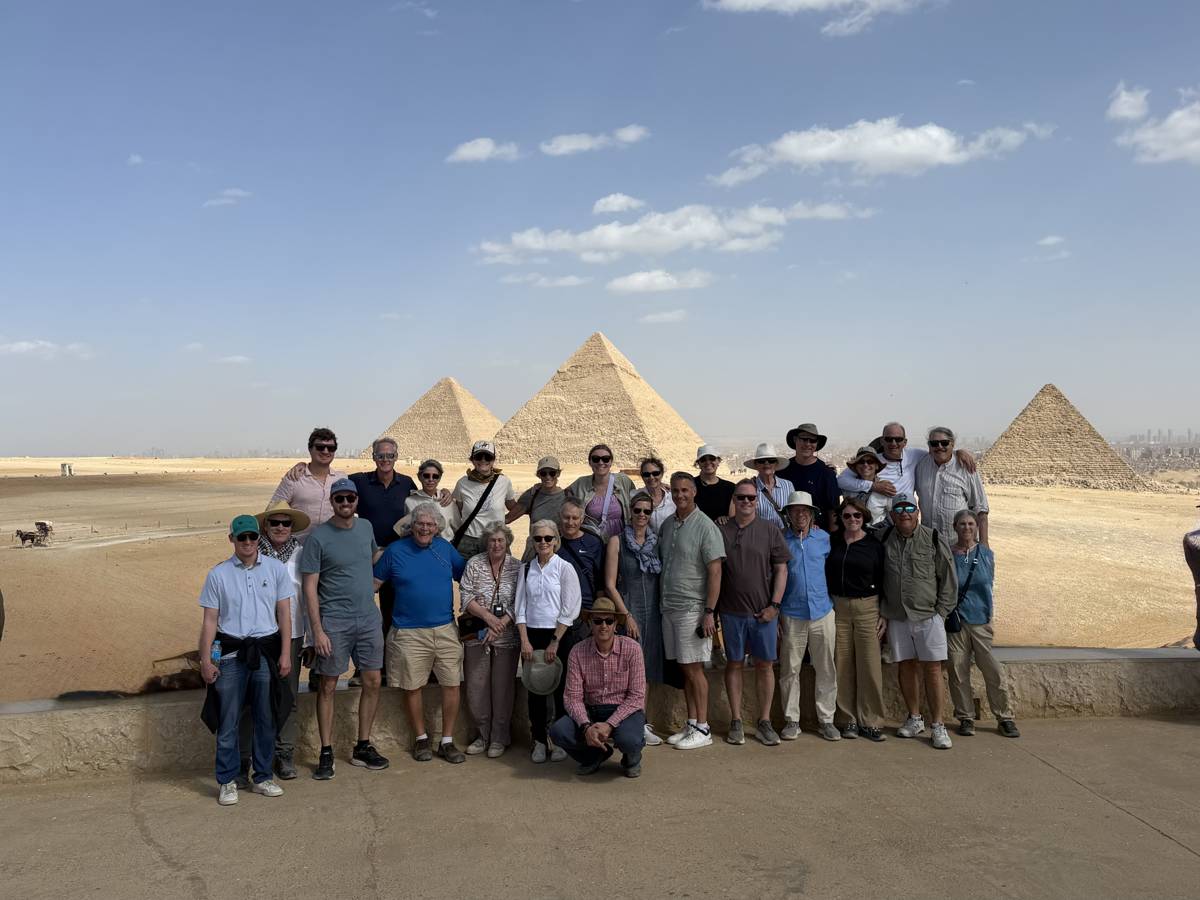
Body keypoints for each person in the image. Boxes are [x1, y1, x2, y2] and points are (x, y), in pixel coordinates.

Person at [198, 515, 293, 806]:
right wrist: (206, 660)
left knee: (265, 717)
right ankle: (227, 780)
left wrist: (285, 654)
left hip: (264, 652)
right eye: (242, 538)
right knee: (228, 719)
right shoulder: (218, 574)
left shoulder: (275, 569)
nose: (248, 542)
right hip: (230, 654)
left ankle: (262, 777)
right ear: (232, 540)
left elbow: (284, 614)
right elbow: (210, 621)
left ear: (258, 538)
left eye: (252, 537)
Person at [300, 478, 388, 780]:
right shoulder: (318, 538)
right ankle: (326, 751)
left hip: (368, 618)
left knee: (373, 680)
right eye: (340, 499)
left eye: (350, 498)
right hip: (334, 621)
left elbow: (373, 557)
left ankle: (363, 745)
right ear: (332, 502)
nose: (346, 503)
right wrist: (317, 631)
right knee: (327, 685)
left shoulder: (365, 528)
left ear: (356, 500)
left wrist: (405, 548)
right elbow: (309, 588)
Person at [373, 502, 467, 764]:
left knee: (452, 684)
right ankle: (421, 738)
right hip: (408, 632)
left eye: (430, 524)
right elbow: (374, 584)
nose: (424, 528)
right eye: (420, 524)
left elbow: (467, 577)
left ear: (437, 528)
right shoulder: (395, 551)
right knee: (412, 686)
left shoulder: (445, 549)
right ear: (411, 526)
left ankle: (447, 741)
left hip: (445, 629)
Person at [879, 493, 958, 750]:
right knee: (906, 666)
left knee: (933, 669)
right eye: (899, 509)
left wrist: (941, 613)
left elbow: (948, 578)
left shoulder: (933, 538)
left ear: (917, 512)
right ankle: (914, 718)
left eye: (909, 508)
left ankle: (938, 725)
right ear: (892, 515)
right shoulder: (883, 538)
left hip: (928, 616)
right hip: (897, 615)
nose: (904, 513)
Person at [715, 479, 789, 746]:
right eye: (741, 497)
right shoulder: (721, 530)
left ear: (757, 501)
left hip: (763, 612)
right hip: (731, 611)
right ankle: (736, 720)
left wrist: (774, 606)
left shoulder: (770, 530)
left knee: (764, 665)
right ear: (734, 500)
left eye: (750, 498)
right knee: (734, 663)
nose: (746, 502)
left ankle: (764, 721)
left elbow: (781, 569)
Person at [243, 500, 310, 781]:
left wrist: (309, 637)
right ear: (265, 526)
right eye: (275, 523)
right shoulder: (252, 554)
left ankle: (284, 753)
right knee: (253, 697)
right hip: (258, 635)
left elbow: (309, 597)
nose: (281, 528)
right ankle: (252, 755)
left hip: (292, 635)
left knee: (287, 697)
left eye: (286, 523)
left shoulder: (303, 555)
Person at [659, 472, 725, 751]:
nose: (680, 495)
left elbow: (715, 572)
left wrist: (709, 611)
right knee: (685, 668)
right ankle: (692, 722)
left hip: (692, 608)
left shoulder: (705, 526)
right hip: (669, 607)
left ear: (694, 492)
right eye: (675, 490)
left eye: (685, 490)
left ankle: (703, 727)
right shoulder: (668, 525)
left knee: (695, 668)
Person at [549, 597, 647, 778]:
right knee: (558, 732)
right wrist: (586, 726)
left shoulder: (632, 649)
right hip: (591, 711)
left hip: (624, 711)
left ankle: (632, 758)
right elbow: (572, 697)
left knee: (629, 740)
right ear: (590, 624)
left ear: (615, 624)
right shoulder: (577, 652)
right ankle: (595, 755)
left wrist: (609, 724)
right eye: (597, 621)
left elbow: (637, 696)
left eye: (609, 621)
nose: (603, 626)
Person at [947, 510, 1019, 738]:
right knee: (958, 671)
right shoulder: (948, 554)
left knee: (993, 671)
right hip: (957, 622)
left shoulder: (985, 553)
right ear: (954, 527)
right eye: (962, 524)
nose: (967, 528)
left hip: (981, 621)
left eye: (971, 524)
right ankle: (965, 717)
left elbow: (988, 582)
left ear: (977, 527)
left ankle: (1005, 717)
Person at [515, 520, 582, 763]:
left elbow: (570, 608)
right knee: (535, 690)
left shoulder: (565, 568)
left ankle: (562, 741)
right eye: (538, 538)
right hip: (533, 636)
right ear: (532, 542)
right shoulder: (526, 569)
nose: (543, 542)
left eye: (547, 538)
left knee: (562, 690)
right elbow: (520, 606)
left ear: (555, 540)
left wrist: (554, 641)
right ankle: (539, 741)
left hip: (559, 636)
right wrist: (524, 640)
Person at [604, 489, 664, 746]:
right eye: (637, 510)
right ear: (630, 512)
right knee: (625, 669)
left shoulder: (656, 542)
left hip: (653, 611)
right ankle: (622, 723)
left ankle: (641, 722)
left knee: (646, 669)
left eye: (646, 511)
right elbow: (610, 583)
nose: (642, 515)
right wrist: (626, 615)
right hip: (628, 609)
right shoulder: (617, 541)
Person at [778, 491, 839, 742]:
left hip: (822, 611)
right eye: (795, 511)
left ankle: (826, 720)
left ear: (812, 514)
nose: (800, 514)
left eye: (805, 510)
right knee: (789, 669)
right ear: (788, 515)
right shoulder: (780, 540)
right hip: (791, 613)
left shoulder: (824, 538)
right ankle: (792, 720)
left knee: (825, 668)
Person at [826, 497, 888, 741]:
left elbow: (885, 579)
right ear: (841, 519)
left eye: (857, 515)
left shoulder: (874, 545)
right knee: (842, 664)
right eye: (847, 516)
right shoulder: (833, 542)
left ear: (864, 517)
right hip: (839, 608)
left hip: (867, 608)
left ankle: (871, 720)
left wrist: (884, 613)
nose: (852, 519)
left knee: (869, 665)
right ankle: (847, 720)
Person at [459, 522, 521, 759]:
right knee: (476, 687)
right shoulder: (474, 564)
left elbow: (520, 601)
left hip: (507, 638)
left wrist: (500, 624)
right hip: (477, 636)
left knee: (503, 689)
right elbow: (466, 596)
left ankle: (499, 737)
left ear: (507, 542)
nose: (496, 544)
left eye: (500, 540)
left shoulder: (517, 567)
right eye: (492, 540)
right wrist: (488, 618)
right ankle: (482, 735)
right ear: (486, 542)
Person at [837, 422, 976, 516]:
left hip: (905, 516)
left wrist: (957, 452)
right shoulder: (871, 462)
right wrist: (873, 486)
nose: (893, 443)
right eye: (889, 439)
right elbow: (841, 480)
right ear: (882, 441)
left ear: (905, 442)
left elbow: (938, 452)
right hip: (878, 518)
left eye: (898, 439)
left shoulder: (915, 456)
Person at [270, 427, 347, 542]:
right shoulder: (293, 478)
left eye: (331, 448)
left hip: (332, 546)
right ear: (310, 449)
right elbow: (272, 511)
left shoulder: (342, 479)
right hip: (299, 547)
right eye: (320, 447)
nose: (325, 451)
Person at [914, 427, 990, 542]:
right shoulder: (920, 466)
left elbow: (981, 509)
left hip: (958, 543)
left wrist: (984, 544)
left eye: (944, 443)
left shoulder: (966, 468)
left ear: (952, 444)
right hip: (928, 542)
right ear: (929, 446)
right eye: (934, 443)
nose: (939, 447)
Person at [451, 440, 517, 560]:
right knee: (467, 572)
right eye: (478, 457)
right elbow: (458, 511)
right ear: (472, 459)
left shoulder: (504, 482)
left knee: (501, 572)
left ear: (493, 459)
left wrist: (505, 519)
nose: (483, 460)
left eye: (488, 457)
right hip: (469, 542)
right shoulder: (462, 483)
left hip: (496, 540)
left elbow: (514, 506)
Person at [778, 424, 841, 533]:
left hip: (818, 536)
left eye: (812, 441)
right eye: (804, 439)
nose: (808, 444)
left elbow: (833, 511)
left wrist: (833, 539)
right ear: (795, 440)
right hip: (786, 535)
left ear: (816, 444)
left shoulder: (826, 474)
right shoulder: (782, 471)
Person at [566, 443, 636, 539]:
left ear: (611, 462)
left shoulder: (623, 481)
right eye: (596, 459)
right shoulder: (581, 484)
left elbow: (639, 500)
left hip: (621, 540)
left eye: (605, 459)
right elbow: (562, 497)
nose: (600, 462)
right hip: (594, 540)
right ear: (590, 462)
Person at [506, 455, 567, 560]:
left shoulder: (567, 496)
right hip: (534, 550)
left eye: (552, 473)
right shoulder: (532, 495)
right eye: (543, 473)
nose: (548, 477)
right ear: (538, 475)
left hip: (558, 551)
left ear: (558, 474)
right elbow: (508, 518)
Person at [399, 459, 461, 542]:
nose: (431, 479)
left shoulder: (448, 502)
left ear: (439, 478)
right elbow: (405, 529)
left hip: (444, 546)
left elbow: (458, 528)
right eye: (426, 476)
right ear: (419, 477)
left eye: (435, 476)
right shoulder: (409, 502)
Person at [739, 443, 794, 529]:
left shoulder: (788, 486)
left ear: (776, 464)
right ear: (756, 465)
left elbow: (794, 511)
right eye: (762, 461)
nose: (766, 463)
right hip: (759, 535)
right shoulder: (749, 488)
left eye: (771, 461)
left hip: (783, 534)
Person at [841, 447, 890, 527]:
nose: (865, 465)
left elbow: (892, 515)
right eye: (861, 462)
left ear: (877, 466)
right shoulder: (847, 487)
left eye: (870, 462)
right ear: (856, 466)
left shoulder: (886, 488)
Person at [693, 444, 735, 523]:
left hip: (720, 529)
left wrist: (726, 518)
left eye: (712, 458)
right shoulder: (690, 485)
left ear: (718, 461)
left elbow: (733, 517)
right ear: (698, 463)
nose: (708, 462)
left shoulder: (730, 488)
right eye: (703, 460)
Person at [638, 455, 676, 531]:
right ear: (642, 476)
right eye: (646, 474)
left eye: (655, 473)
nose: (651, 477)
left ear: (662, 474)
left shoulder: (673, 498)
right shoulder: (635, 496)